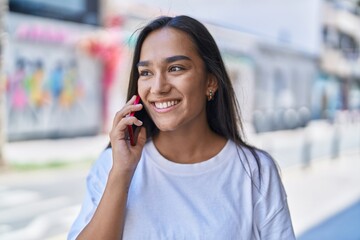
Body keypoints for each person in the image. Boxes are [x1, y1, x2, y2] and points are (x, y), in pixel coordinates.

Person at [68, 15, 295, 240]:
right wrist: (121, 173)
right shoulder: (112, 165)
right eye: (146, 72)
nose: (158, 87)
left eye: (176, 68)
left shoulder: (255, 172)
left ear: (210, 81)